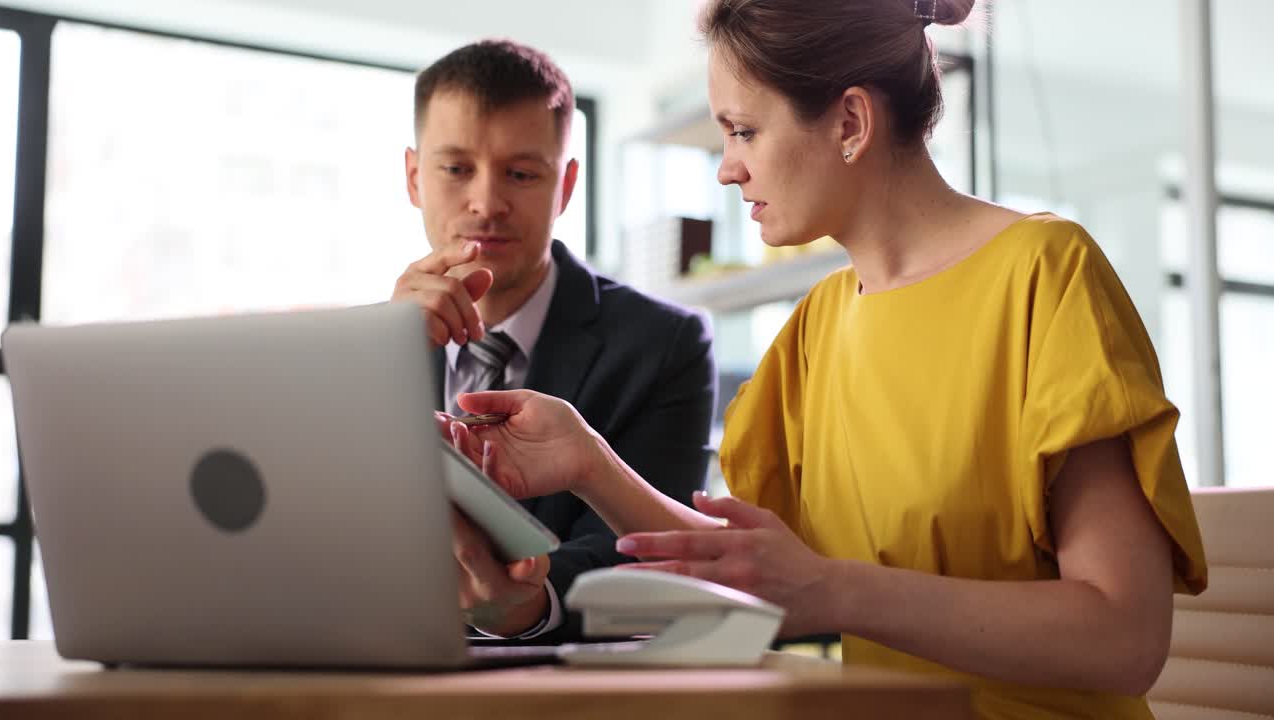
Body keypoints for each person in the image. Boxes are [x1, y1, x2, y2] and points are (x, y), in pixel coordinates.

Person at [442, 2, 1208, 717]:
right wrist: (588, 461)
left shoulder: (1045, 276)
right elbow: (764, 572)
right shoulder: (817, 326)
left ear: (849, 121)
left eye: (743, 132)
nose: (727, 168)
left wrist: (833, 590)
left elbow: (1124, 639)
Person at [392, 39, 716, 642]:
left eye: (521, 173)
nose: (487, 203)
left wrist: (530, 605)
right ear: (414, 177)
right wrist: (382, 360)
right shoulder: (372, 348)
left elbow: (650, 551)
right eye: (456, 168)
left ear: (565, 186)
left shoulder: (664, 344)